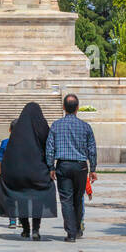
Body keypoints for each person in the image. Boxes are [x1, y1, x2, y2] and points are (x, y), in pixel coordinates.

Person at [0, 101, 57, 239]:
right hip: (38, 170)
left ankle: (25, 229)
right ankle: (35, 229)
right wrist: (50, 167)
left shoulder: (18, 128)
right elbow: (48, 147)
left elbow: (9, 153)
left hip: (19, 171)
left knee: (21, 198)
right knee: (38, 199)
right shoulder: (42, 126)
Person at [45, 93, 98, 242]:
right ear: (77, 108)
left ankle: (71, 232)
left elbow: (50, 148)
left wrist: (51, 167)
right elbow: (92, 149)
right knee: (77, 198)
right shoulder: (85, 126)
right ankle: (77, 228)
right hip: (81, 166)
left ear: (63, 107)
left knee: (66, 200)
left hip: (63, 165)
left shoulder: (56, 125)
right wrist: (93, 169)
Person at [0, 122, 17, 227]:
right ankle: (23, 221)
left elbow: (0, 159)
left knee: (11, 197)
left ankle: (13, 220)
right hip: (22, 173)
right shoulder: (25, 143)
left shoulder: (5, 143)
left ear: (9, 130)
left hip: (8, 173)